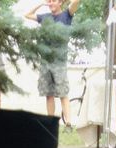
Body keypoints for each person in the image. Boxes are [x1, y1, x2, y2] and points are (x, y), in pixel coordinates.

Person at [25, 0, 82, 129]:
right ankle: (51, 123)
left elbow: (75, 3)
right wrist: (41, 4)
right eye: (49, 1)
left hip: (59, 62)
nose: (50, 3)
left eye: (53, 1)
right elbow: (27, 15)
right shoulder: (44, 17)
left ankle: (68, 123)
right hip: (45, 62)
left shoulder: (67, 14)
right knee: (48, 94)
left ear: (60, 2)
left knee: (63, 94)